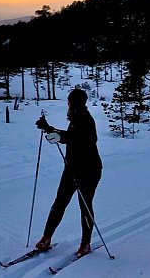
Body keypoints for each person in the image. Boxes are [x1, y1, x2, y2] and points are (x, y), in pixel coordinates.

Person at [34, 88, 103, 257]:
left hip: (89, 170)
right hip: (72, 168)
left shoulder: (85, 119)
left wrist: (52, 131)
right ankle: (46, 237)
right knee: (60, 202)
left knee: (84, 205)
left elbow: (75, 139)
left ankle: (85, 243)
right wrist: (49, 129)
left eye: (70, 101)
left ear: (73, 103)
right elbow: (69, 137)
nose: (68, 104)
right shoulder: (76, 118)